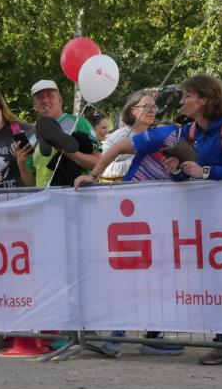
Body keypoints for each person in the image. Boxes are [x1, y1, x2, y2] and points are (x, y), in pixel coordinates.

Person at [126, 74, 222, 365]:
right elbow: (184, 175)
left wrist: (205, 172)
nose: (182, 102)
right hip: (204, 218)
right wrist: (175, 168)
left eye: (188, 96)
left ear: (205, 99)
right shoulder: (189, 131)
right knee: (214, 280)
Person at [74, 90, 184, 356]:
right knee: (127, 273)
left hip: (154, 214)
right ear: (132, 110)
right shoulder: (124, 136)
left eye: (154, 106)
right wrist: (94, 176)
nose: (152, 110)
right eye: (146, 106)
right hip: (128, 211)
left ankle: (149, 335)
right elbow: (108, 155)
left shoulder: (166, 133)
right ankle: (115, 335)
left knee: (153, 274)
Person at [21, 80, 99, 188]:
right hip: (43, 196)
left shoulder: (79, 123)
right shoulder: (32, 136)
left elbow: (98, 163)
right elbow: (31, 184)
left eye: (50, 95)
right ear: (35, 105)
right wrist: (21, 164)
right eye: (40, 97)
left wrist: (62, 147)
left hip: (75, 193)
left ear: (60, 100)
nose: (45, 100)